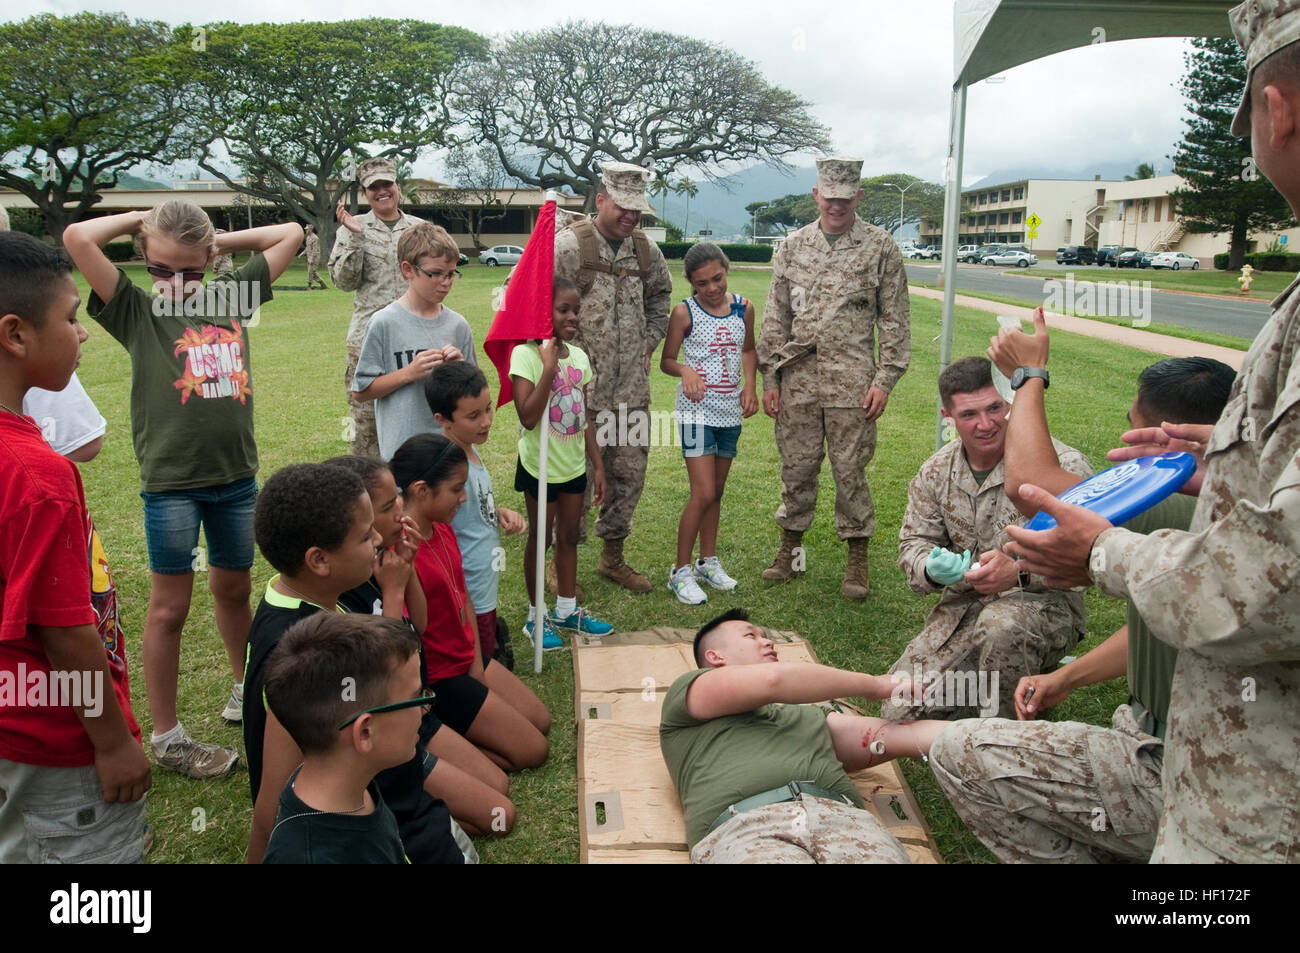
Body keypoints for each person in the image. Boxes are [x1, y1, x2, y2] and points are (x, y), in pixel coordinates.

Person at [998, 0, 1300, 865]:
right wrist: (1236, 461)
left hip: (1254, 812)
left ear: (1275, 112)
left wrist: (1031, 377)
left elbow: (1264, 587)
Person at [930, 327, 1235, 862]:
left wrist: (1030, 375)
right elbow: (1170, 620)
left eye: (1133, 426)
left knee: (957, 752)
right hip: (1178, 744)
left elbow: (1029, 482)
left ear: (1169, 437)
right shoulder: (1258, 508)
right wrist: (1065, 676)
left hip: (1182, 769)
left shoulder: (1169, 504)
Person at [62, 200, 302, 780]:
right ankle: (168, 736)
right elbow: (77, 237)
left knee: (235, 590)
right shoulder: (135, 310)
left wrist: (216, 241)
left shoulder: (230, 297)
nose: (176, 284)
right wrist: (143, 218)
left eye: (191, 271)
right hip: (172, 486)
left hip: (236, 480)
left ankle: (244, 689)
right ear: (144, 259)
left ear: (210, 263)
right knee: (169, 608)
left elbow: (291, 232)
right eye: (162, 269)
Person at [0, 231, 150, 863]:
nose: (83, 331)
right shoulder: (38, 475)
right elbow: (65, 635)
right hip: (58, 742)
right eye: (70, 317)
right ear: (15, 335)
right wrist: (112, 742)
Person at [243, 462, 470, 864]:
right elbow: (269, 808)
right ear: (319, 560)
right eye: (367, 535)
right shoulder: (296, 646)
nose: (380, 538)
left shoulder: (320, 604)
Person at [881, 356, 1092, 722]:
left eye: (995, 408)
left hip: (1042, 607)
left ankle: (1011, 734)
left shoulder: (1062, 467)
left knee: (1002, 629)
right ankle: (985, 692)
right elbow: (913, 544)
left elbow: (1089, 556)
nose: (986, 424)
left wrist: (1020, 573)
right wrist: (930, 568)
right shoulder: (936, 472)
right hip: (964, 610)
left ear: (1011, 403)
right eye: (969, 415)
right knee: (901, 711)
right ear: (948, 417)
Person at [325, 452, 517, 834]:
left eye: (397, 498)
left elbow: (421, 627)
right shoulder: (348, 591)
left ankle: (438, 783)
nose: (400, 511)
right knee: (501, 816)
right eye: (387, 506)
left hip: (419, 712)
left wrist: (405, 570)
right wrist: (393, 592)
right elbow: (386, 671)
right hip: (394, 726)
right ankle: (403, 814)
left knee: (501, 782)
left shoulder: (389, 559)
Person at [659, 609, 943, 863]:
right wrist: (874, 685)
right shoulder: (688, 698)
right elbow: (774, 680)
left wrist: (967, 734)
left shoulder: (806, 716)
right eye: (751, 636)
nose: (767, 641)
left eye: (766, 636)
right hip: (745, 830)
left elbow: (894, 736)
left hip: (845, 822)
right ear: (715, 656)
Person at [756, 156, 911, 600]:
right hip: (798, 378)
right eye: (829, 197)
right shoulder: (793, 246)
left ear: (858, 196)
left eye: (846, 198)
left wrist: (885, 379)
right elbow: (776, 316)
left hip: (853, 382)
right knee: (797, 466)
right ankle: (791, 552)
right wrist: (770, 377)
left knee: (850, 471)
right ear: (816, 195)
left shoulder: (880, 247)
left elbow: (894, 319)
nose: (837, 206)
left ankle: (856, 560)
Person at [390, 434, 551, 772]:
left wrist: (478, 664)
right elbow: (406, 633)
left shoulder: (441, 527)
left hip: (468, 660)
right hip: (440, 678)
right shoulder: (400, 552)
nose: (463, 498)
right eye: (456, 489)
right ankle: (444, 740)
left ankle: (462, 738)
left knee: (540, 719)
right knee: (533, 752)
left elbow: (464, 599)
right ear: (421, 491)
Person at [554, 161, 673, 593]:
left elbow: (661, 296)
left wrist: (651, 338)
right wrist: (556, 357)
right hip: (576, 395)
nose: (629, 217)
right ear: (600, 199)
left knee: (629, 474)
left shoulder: (645, 251)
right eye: (621, 208)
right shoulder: (567, 247)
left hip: (630, 393)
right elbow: (526, 296)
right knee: (573, 479)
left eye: (636, 210)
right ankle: (559, 559)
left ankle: (613, 557)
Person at [262, 613, 424, 864]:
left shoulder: (355, 788)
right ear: (365, 732)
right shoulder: (308, 857)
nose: (425, 709)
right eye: (417, 699)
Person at [510, 278, 611, 646]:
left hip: (572, 467)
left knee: (569, 536)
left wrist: (597, 465)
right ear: (543, 312)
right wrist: (548, 368)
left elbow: (582, 416)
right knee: (541, 539)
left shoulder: (580, 358)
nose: (572, 317)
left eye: (575, 310)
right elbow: (527, 416)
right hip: (539, 467)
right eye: (563, 310)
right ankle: (536, 618)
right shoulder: (525, 355)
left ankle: (566, 610)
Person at [659, 242, 758, 605]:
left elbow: (748, 350)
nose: (712, 288)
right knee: (701, 492)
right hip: (695, 412)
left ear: (726, 270)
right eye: (702, 283)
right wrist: (685, 370)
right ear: (691, 284)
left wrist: (750, 386)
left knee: (716, 492)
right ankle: (680, 570)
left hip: (729, 410)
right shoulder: (684, 313)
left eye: (717, 278)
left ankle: (707, 561)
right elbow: (667, 360)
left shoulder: (743, 307)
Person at [424, 362, 525, 665]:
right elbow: (436, 521)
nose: (486, 421)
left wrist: (498, 511)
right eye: (473, 415)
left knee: (484, 644)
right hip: (467, 587)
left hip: (482, 581)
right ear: (442, 419)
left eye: (488, 409)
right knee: (475, 660)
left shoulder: (468, 446)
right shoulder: (447, 466)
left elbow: (470, 504)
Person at [351, 220, 476, 460]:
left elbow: (474, 392)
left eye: (451, 274)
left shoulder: (458, 325)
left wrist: (460, 369)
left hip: (450, 450)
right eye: (436, 273)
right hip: (403, 452)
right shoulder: (384, 323)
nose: (446, 282)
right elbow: (361, 391)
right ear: (408, 270)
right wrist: (408, 372)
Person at [329, 157, 425, 457]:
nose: (382, 192)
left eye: (387, 184)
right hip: (368, 340)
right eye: (374, 187)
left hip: (414, 339)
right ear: (364, 192)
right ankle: (371, 499)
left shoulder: (419, 229)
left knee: (417, 421)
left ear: (398, 187)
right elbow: (343, 282)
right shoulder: (353, 227)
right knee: (366, 428)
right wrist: (356, 238)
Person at [299, 224, 327, 290]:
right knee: (312, 272)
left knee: (310, 271)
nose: (306, 230)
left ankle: (309, 286)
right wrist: (302, 253)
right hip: (309, 257)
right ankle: (323, 284)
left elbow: (315, 250)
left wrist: (311, 258)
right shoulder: (308, 237)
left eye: (307, 229)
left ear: (311, 230)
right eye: (305, 229)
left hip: (314, 257)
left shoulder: (315, 238)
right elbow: (308, 248)